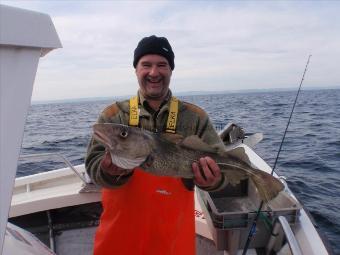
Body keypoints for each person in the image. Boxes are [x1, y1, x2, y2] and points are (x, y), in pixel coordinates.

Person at [85, 35, 227, 255]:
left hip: (173, 241)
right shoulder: (113, 116)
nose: (154, 72)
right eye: (146, 65)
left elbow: (221, 168)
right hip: (119, 241)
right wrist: (107, 171)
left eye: (162, 65)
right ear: (136, 70)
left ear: (171, 70)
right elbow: (93, 167)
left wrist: (213, 181)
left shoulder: (195, 118)